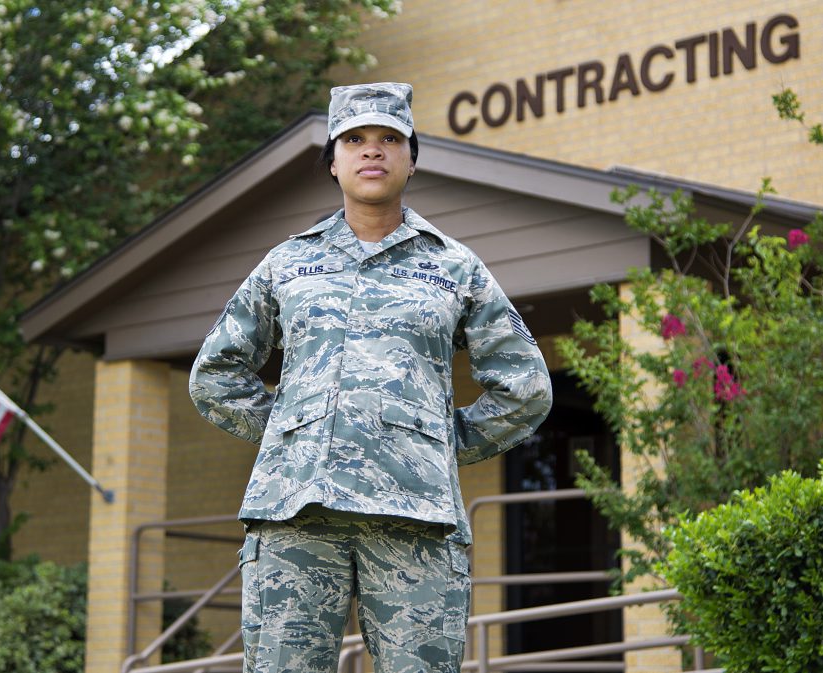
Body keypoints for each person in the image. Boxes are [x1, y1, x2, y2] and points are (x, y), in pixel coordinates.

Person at [189, 82, 552, 673]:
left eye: (389, 138)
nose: (372, 151)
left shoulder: (453, 266)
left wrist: (433, 444)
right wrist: (294, 435)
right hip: (295, 520)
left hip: (415, 522)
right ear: (333, 162)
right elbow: (216, 373)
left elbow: (526, 386)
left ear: (412, 157)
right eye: (354, 139)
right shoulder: (288, 262)